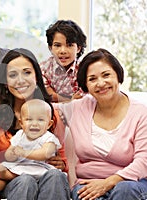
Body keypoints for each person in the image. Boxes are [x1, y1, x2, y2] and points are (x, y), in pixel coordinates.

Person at [55, 48, 147, 200]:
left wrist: (108, 183)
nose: (101, 83)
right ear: (85, 86)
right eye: (92, 79)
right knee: (83, 193)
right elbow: (44, 109)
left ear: (118, 75)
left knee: (124, 190)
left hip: (133, 182)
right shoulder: (78, 107)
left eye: (106, 75)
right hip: (88, 182)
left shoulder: (141, 113)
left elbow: (144, 161)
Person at [0, 48, 70, 200]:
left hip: (46, 178)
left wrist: (59, 164)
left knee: (56, 176)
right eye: (13, 75)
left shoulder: (51, 113)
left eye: (27, 72)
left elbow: (62, 161)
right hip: (14, 182)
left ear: (37, 76)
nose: (21, 80)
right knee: (26, 181)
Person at [0, 99, 62, 182]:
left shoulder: (49, 137)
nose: (34, 124)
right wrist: (11, 154)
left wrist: (24, 153)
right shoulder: (20, 135)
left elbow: (45, 153)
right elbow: (9, 153)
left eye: (40, 120)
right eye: (29, 119)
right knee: (15, 170)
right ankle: (4, 174)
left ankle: (7, 175)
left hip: (41, 167)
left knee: (47, 174)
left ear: (49, 124)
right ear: (21, 123)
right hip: (22, 166)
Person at [40, 20, 87, 102]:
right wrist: (69, 100)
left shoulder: (84, 69)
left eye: (69, 45)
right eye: (57, 45)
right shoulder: (43, 68)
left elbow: (81, 97)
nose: (63, 51)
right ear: (50, 47)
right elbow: (47, 94)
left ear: (78, 48)